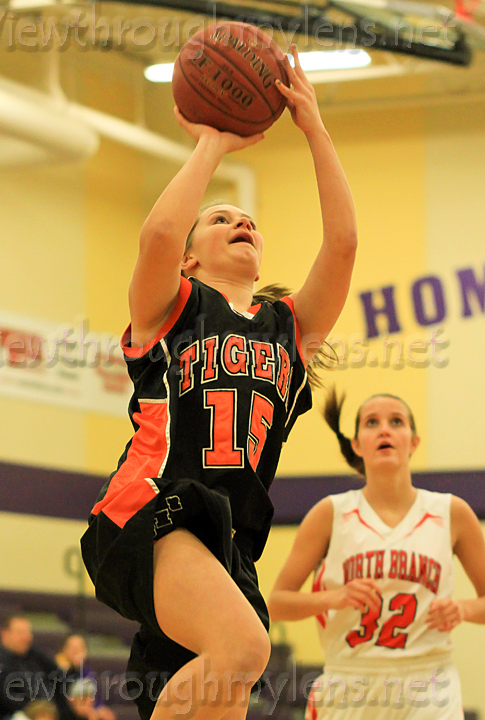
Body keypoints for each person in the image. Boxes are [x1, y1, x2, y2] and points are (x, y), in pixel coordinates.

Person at [81, 45, 358, 720]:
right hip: (151, 508)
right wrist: (211, 142)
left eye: (251, 222)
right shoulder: (171, 307)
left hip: (227, 546)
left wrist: (316, 128)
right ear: (192, 254)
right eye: (222, 218)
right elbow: (155, 237)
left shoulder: (286, 330)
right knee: (245, 649)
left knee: (225, 694)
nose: (243, 223)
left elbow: (343, 244)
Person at [269, 389, 485, 719]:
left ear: (413, 441)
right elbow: (276, 603)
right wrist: (334, 598)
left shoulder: (451, 512)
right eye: (372, 422)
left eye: (396, 421)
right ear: (357, 444)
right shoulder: (331, 513)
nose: (384, 429)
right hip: (350, 681)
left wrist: (463, 608)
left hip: (428, 680)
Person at [0, 614, 69, 720]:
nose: (26, 637)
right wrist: (38, 710)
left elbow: (58, 677)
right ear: (5, 634)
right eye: (20, 632)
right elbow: (5, 700)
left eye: (28, 632)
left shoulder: (35, 655)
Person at [54, 634, 116, 720]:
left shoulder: (88, 672)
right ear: (63, 650)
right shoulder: (57, 671)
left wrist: (99, 710)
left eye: (80, 648)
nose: (76, 652)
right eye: (72, 648)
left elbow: (95, 700)